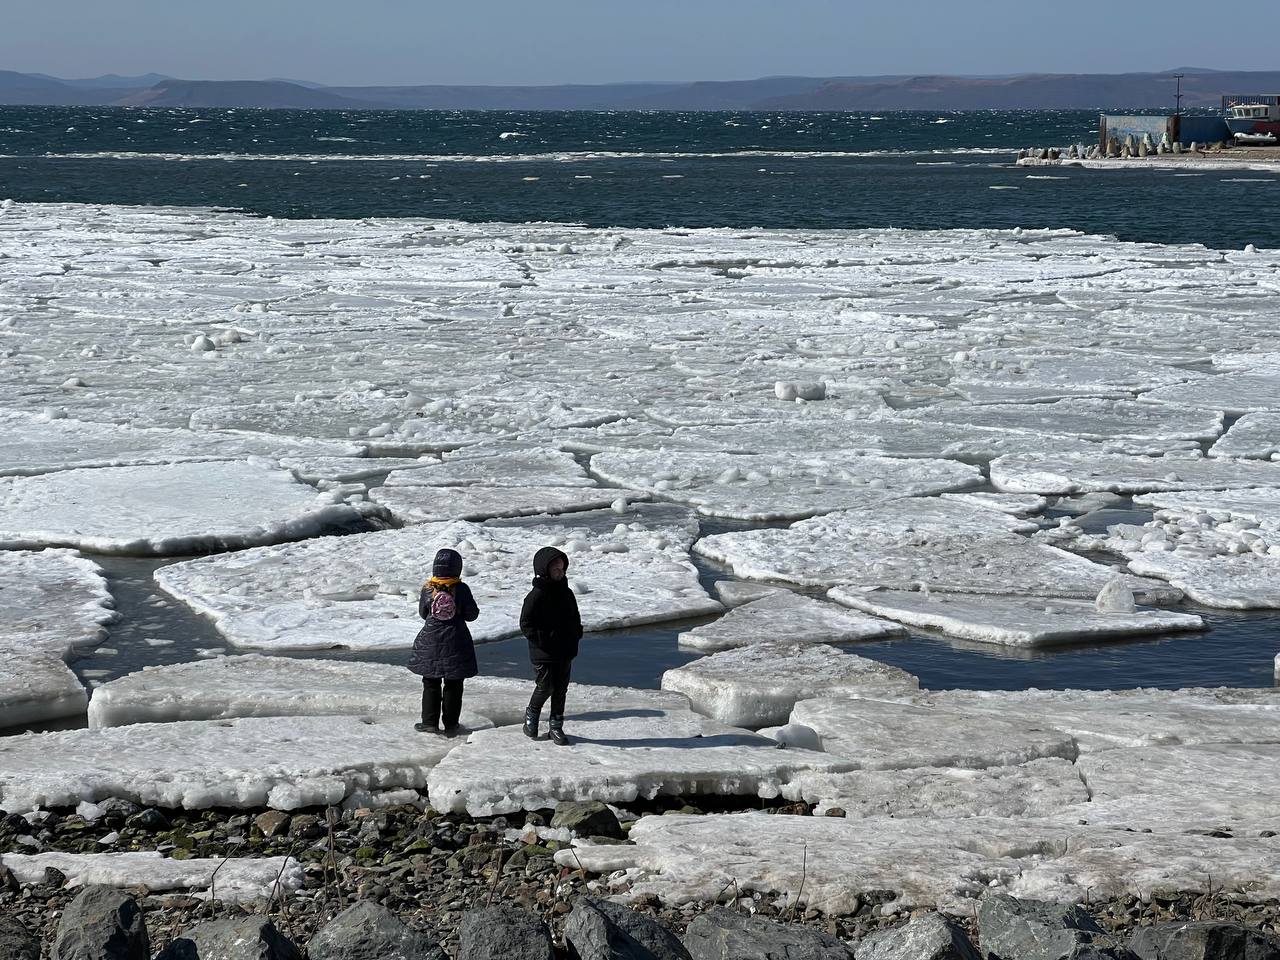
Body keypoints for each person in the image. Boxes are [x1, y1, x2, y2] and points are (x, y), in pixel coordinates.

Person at [409, 548, 479, 736]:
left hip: (430, 640)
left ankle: (429, 723)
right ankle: (451, 725)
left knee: (430, 682)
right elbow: (472, 615)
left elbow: (423, 614)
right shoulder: (462, 589)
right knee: (454, 683)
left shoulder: (428, 588)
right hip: (456, 640)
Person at [520, 546, 582, 746]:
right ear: (545, 569)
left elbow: (574, 617)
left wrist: (575, 635)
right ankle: (532, 714)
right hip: (543, 652)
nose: (560, 572)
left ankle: (556, 726)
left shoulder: (567, 593)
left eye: (562, 569)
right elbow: (526, 624)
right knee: (546, 686)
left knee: (561, 689)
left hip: (564, 650)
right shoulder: (536, 595)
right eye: (556, 568)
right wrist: (544, 640)